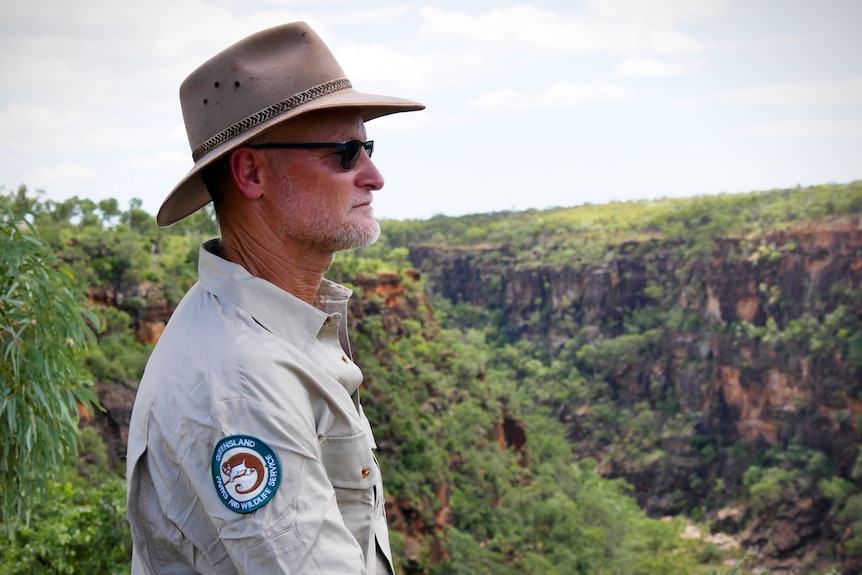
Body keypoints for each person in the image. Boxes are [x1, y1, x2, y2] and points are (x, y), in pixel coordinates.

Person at [125, 22, 424, 574]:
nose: (374, 176)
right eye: (344, 153)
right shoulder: (242, 385)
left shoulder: (270, 334)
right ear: (251, 171)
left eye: (369, 148)